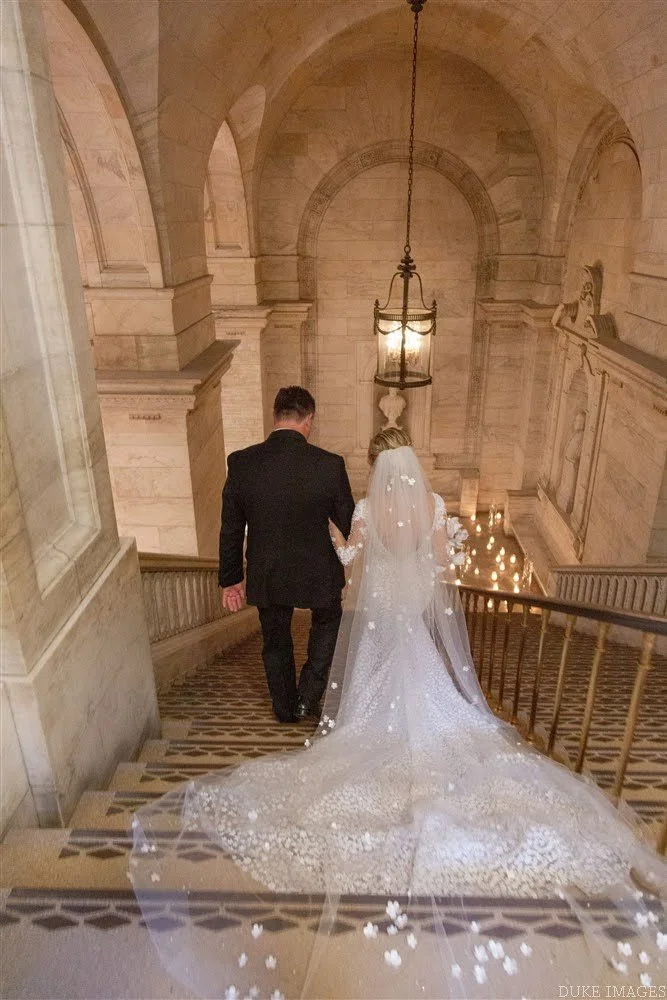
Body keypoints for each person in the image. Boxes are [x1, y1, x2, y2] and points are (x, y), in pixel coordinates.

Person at [132, 429, 665, 999]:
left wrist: (335, 540)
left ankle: (370, 726)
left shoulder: (365, 507)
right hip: (412, 603)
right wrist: (446, 552)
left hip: (381, 606)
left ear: (376, 464)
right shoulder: (431, 504)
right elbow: (442, 561)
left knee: (373, 686)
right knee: (428, 678)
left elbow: (350, 557)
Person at [219, 386, 355, 723]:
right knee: (326, 622)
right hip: (319, 570)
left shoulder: (241, 463)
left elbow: (232, 528)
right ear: (308, 419)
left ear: (275, 416)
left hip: (269, 570)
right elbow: (349, 522)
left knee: (275, 638)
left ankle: (284, 708)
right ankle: (308, 697)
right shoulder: (330, 465)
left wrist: (231, 580)